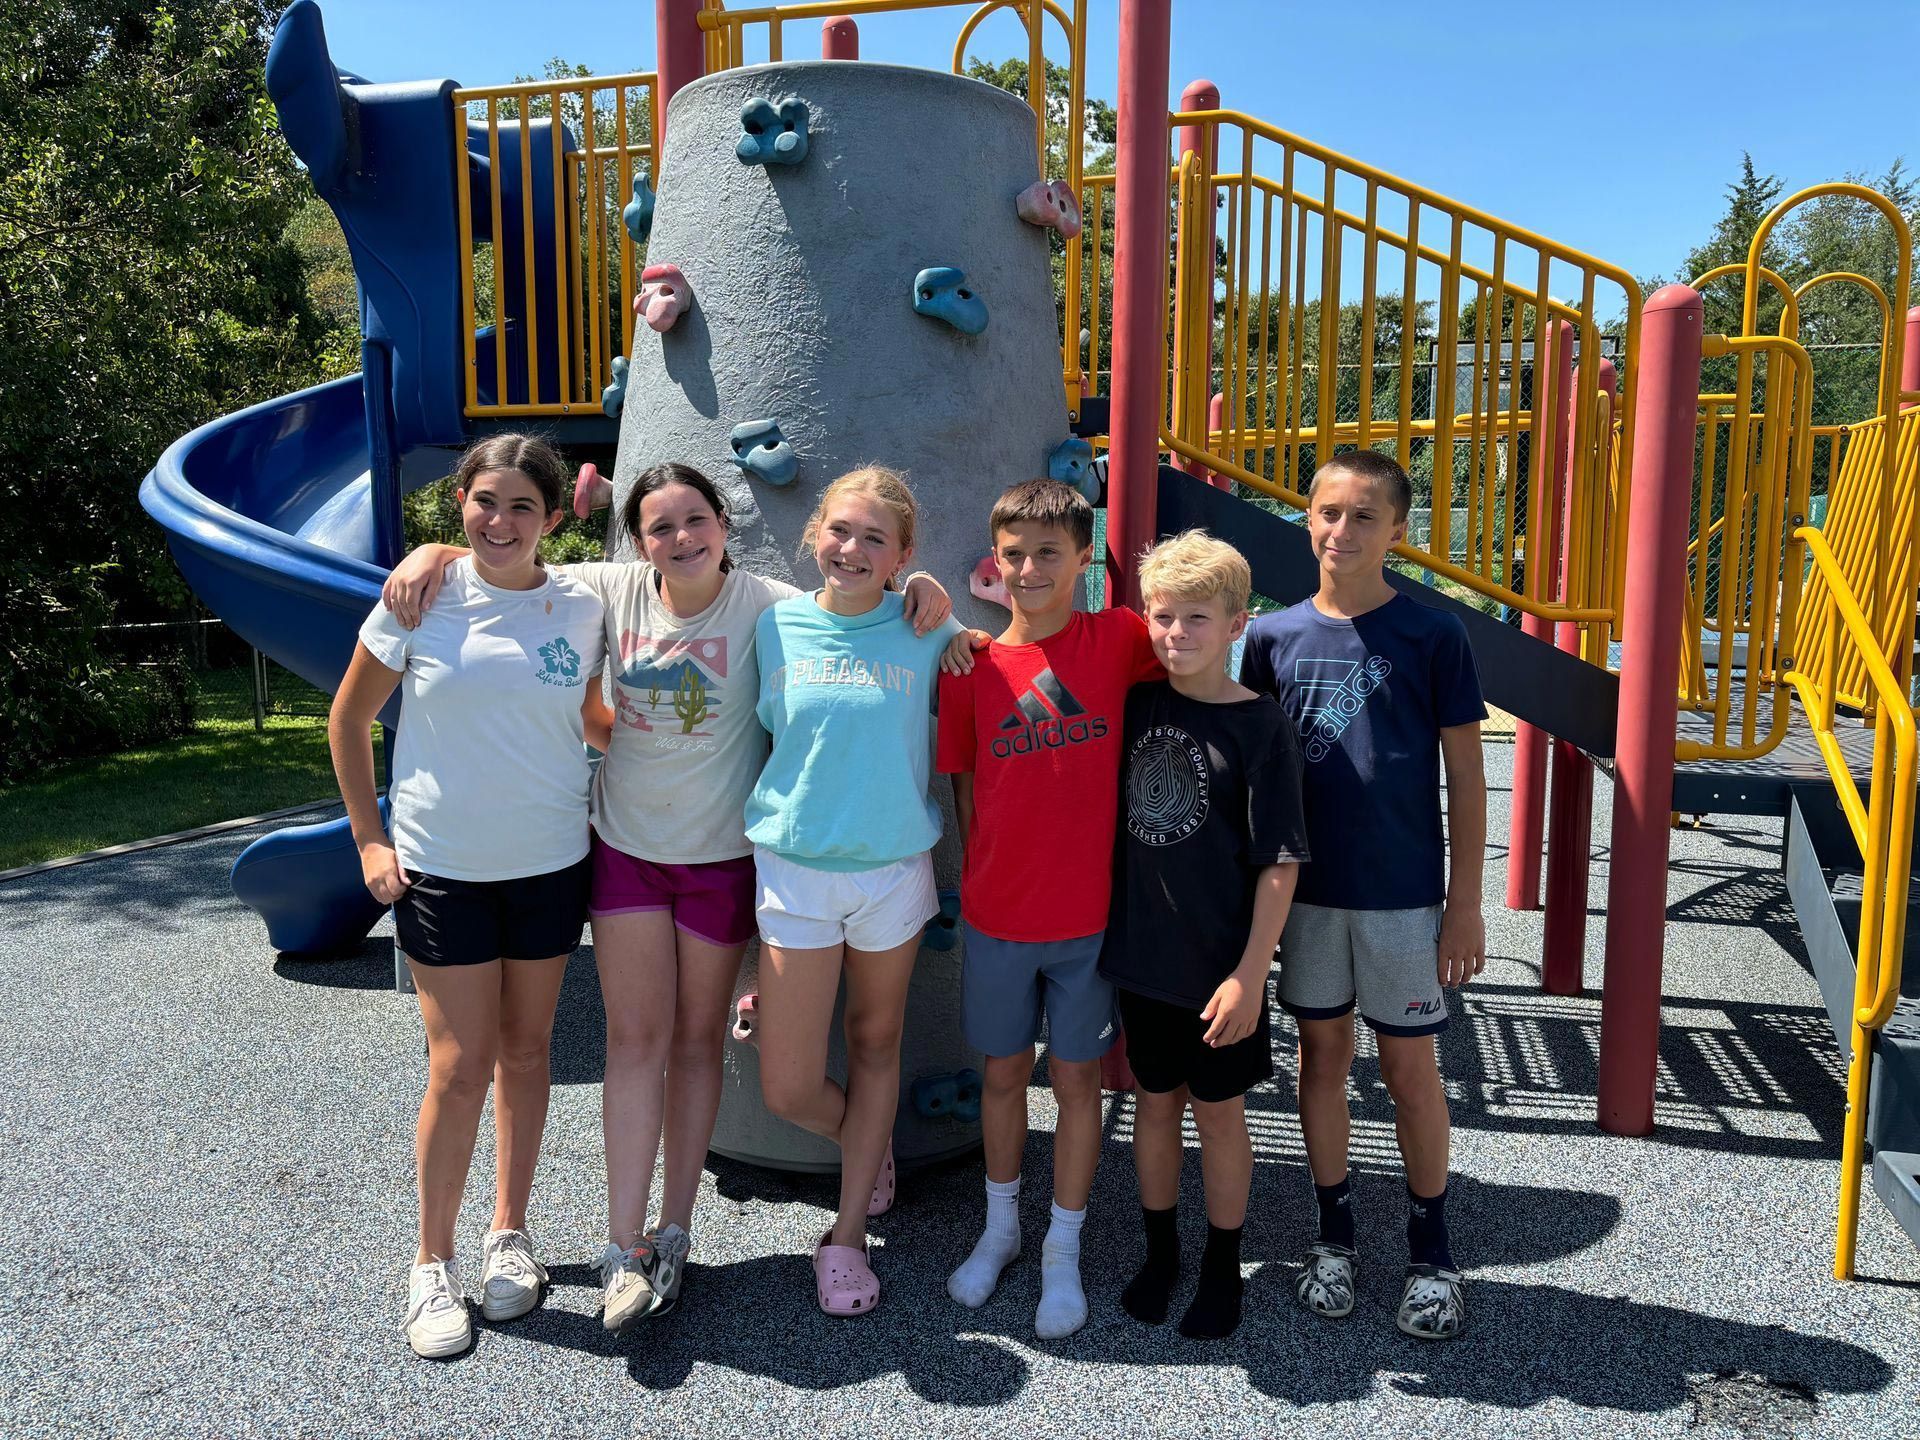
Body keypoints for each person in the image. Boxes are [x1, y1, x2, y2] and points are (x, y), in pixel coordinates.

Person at [380, 463, 953, 1332]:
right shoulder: (606, 588)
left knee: (694, 1044)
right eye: (660, 526)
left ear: (725, 525)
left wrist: (925, 589)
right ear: (635, 538)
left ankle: (672, 1230)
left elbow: (865, 598)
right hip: (626, 852)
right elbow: (508, 554)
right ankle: (621, 1247)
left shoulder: (767, 605)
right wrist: (435, 548)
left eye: (696, 521)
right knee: (630, 1040)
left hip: (723, 857)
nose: (680, 539)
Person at [329, 434, 607, 1359]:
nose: (501, 522)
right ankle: (429, 1264)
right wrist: (371, 840)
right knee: (459, 1065)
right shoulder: (421, 599)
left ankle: (508, 1234)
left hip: (552, 862)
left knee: (527, 1052)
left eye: (523, 506)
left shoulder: (583, 603)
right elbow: (350, 717)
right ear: (460, 503)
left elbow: (685, 574)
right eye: (485, 502)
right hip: (443, 868)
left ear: (555, 519)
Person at [1238, 448, 1488, 1341]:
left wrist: (1465, 902)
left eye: (1363, 516)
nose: (1341, 531)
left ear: (1398, 531)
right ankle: (1334, 1237)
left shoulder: (1433, 636)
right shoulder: (1269, 638)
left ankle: (1432, 1250)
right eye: (1327, 512)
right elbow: (1252, 772)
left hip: (1402, 896)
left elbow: (1466, 775)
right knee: (1322, 1060)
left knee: (1412, 1072)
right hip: (1307, 897)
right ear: (1306, 519)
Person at [935, 478, 1160, 1339]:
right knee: (1000, 1075)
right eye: (1014, 554)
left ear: (1082, 559)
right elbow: (965, 793)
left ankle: (1062, 1249)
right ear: (995, 561)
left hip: (1091, 921)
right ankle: (1000, 1230)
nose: (1029, 568)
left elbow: (1203, 655)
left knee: (1074, 1082)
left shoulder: (1123, 639)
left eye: (1048, 554)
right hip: (997, 916)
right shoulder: (972, 667)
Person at [747, 464, 963, 1317]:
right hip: (796, 873)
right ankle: (865, 1145)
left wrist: (941, 599)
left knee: (878, 1046)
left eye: (877, 537)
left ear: (904, 555)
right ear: (814, 536)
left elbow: (1000, 644)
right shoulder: (777, 627)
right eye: (841, 530)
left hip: (893, 876)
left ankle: (842, 1239)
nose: (853, 548)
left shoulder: (925, 629)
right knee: (789, 1086)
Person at [1101, 530, 1309, 1341]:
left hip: (1221, 968)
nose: (1176, 634)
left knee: (1219, 1116)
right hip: (1142, 960)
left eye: (1196, 618)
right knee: (1155, 1107)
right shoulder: (1138, 700)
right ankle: (1162, 1253)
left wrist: (1252, 974)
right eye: (1162, 617)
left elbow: (1280, 862)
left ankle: (1224, 1264)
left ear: (1236, 625)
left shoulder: (1262, 727)